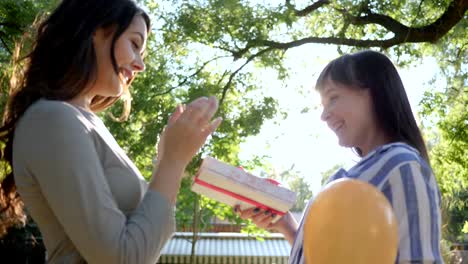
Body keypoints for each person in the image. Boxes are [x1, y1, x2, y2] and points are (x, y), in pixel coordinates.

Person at [0, 0, 222, 263]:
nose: (140, 65)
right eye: (135, 44)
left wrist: (164, 159)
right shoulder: (52, 118)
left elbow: (140, 236)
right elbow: (121, 257)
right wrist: (173, 161)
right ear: (96, 30)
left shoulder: (85, 121)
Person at [235, 50, 443, 263]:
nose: (324, 116)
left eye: (333, 98)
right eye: (323, 105)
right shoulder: (357, 175)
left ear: (374, 94)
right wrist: (286, 225)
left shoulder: (402, 166)